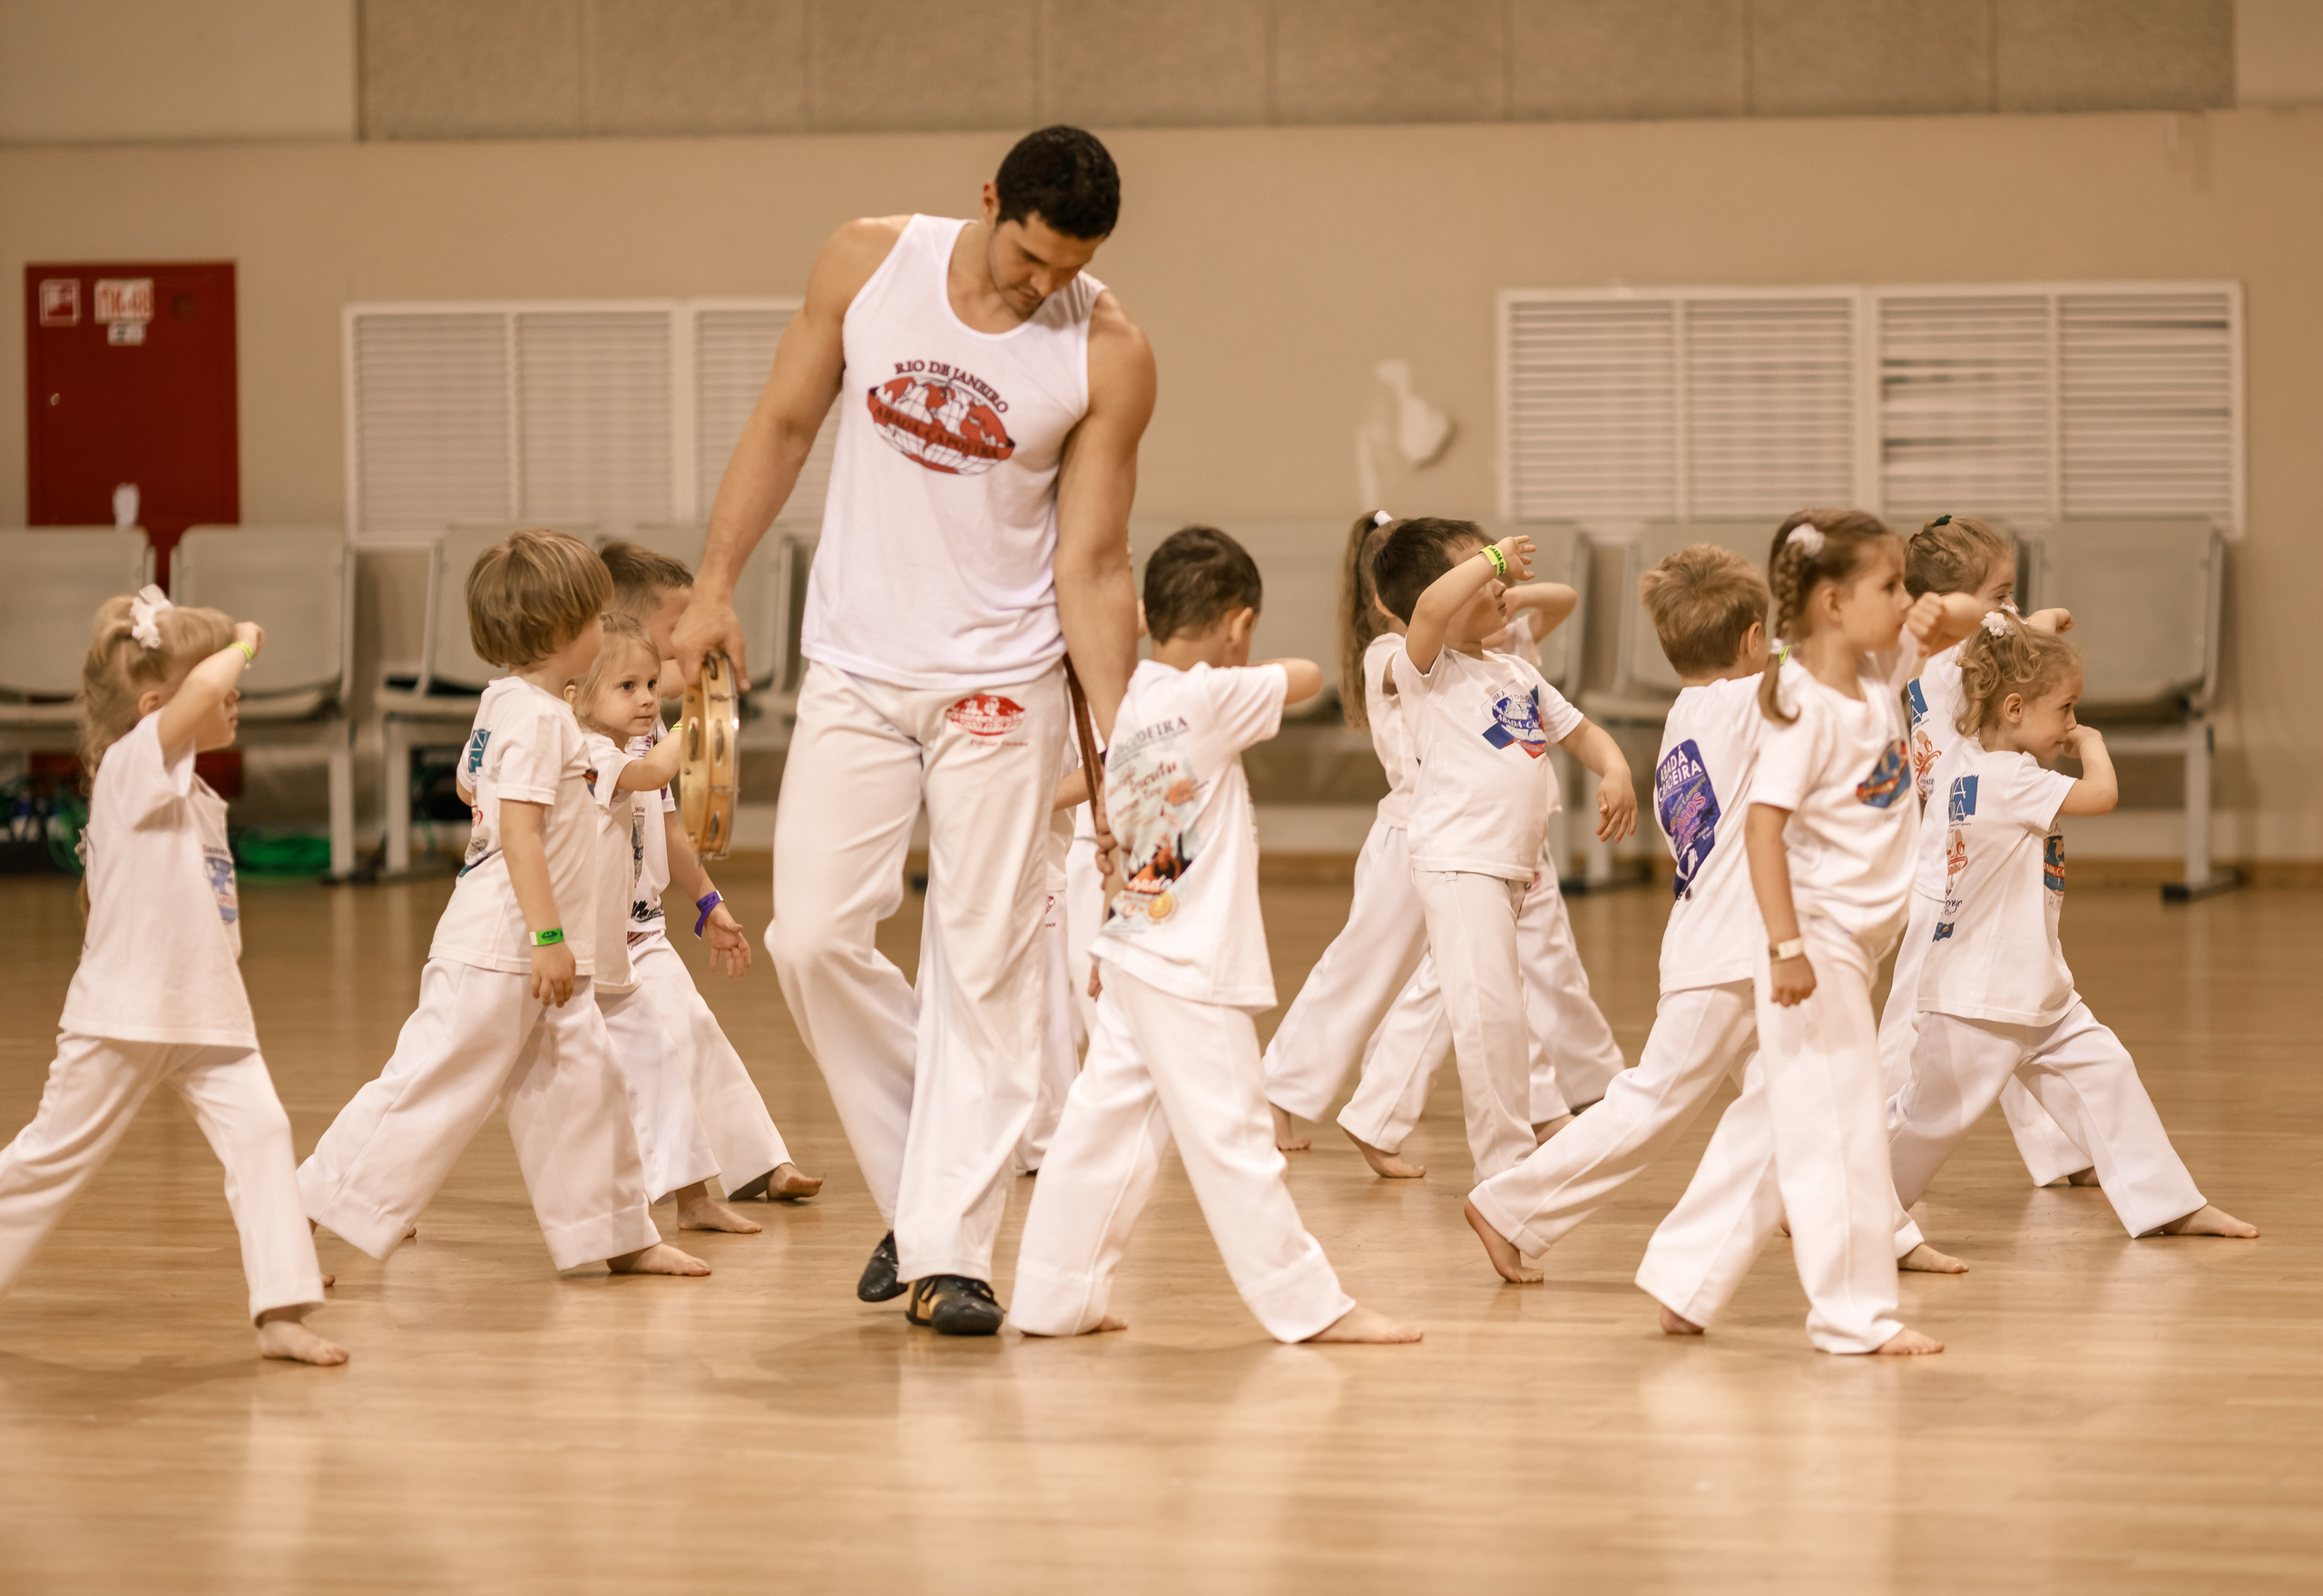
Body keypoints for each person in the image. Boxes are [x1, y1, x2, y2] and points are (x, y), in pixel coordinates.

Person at [672, 125, 1150, 1336]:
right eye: (1033, 256)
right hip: (859, 664)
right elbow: (783, 426)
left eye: (1069, 266)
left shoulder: (1108, 349)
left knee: (983, 964)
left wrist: (1121, 759)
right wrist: (713, 586)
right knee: (814, 938)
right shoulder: (867, 263)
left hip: (1002, 681)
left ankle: (952, 1249)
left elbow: (1095, 566)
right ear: (989, 199)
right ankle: (920, 1188)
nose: (1047, 285)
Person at [1462, 545, 1965, 1284]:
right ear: (1751, 642)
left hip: (1724, 946)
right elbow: (1823, 663)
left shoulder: (1688, 714)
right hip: (1732, 953)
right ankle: (1508, 1206)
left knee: (1810, 1097)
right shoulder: (1745, 704)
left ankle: (1884, 1234)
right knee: (1652, 1102)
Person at [1011, 527, 1419, 1345]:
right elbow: (1303, 678)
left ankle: (1054, 1296)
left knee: (1102, 1129)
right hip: (1189, 961)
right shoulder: (1202, 697)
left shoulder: (1128, 709)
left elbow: (1130, 833)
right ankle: (1308, 1306)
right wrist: (1241, 665)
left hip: (1136, 945)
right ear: (1237, 626)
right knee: (1235, 1137)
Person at [300, 530, 705, 1281]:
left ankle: (617, 1232)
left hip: (545, 949)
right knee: (432, 1083)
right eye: (593, 618)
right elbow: (517, 832)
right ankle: (298, 1218)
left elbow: (468, 785)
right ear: (560, 634)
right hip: (504, 946)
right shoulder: (540, 717)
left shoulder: (508, 704)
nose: (603, 628)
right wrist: (549, 934)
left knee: (586, 1085)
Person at [1632, 512, 1951, 1356]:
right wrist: (1785, 946)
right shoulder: (1801, 707)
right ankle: (1853, 1315)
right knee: (1838, 1128)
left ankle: (1684, 1276)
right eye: (1891, 586)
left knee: (1774, 1116)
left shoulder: (1879, 671)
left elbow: (1947, 620)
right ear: (1835, 604)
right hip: (1818, 943)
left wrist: (1925, 613)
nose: (1906, 599)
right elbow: (1761, 831)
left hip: (1856, 942)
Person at [0, 590, 343, 1365]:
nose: (236, 694)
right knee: (50, 1157)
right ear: (159, 707)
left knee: (263, 1134)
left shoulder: (197, 792)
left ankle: (282, 1308)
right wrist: (244, 640)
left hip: (207, 1013)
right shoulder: (132, 768)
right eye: (223, 686)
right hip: (125, 1016)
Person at [1890, 612, 2257, 1241]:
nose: (2070, 721)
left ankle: (2167, 1202)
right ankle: (1847, 1207)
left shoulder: (1970, 764)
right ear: (2012, 707)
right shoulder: (2007, 778)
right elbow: (2101, 795)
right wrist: (2093, 746)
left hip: (2033, 987)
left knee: (2106, 1073)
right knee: (1929, 1119)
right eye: (2064, 708)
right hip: (1980, 998)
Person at [1374, 517, 1636, 1184]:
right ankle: (1508, 1172)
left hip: (1505, 869)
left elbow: (1582, 734)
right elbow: (1431, 606)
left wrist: (1615, 768)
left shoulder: (1514, 670)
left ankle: (1375, 1117)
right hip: (1460, 862)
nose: (1495, 580)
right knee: (1492, 1018)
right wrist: (1491, 555)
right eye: (1479, 573)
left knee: (1474, 1001)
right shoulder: (1424, 667)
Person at [598, 543, 822, 1206]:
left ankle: (755, 1164)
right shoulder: (580, 730)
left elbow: (667, 826)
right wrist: (704, 686)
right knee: (468, 1072)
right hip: (574, 943)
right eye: (676, 630)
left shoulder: (647, 724)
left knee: (694, 1030)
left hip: (641, 933)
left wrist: (707, 900)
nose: (687, 643)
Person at [1880, 514, 2093, 1185]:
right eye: (2001, 592)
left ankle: (2065, 1147)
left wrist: (2034, 620)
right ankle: (1868, 1153)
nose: (2009, 606)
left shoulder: (1939, 655)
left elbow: (2012, 632)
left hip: (1980, 846)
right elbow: (2013, 632)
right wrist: (2044, 619)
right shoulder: (1958, 654)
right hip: (1951, 863)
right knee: (1916, 1019)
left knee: (2016, 1000)